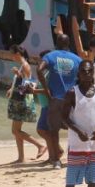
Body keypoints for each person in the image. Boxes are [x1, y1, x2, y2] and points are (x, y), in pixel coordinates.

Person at [37, 34, 82, 169]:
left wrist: (46, 89)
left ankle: (56, 161)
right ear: (69, 44)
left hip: (56, 98)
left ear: (56, 43)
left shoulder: (51, 55)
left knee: (53, 129)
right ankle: (75, 157)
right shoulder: (77, 59)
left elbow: (39, 69)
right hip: (73, 98)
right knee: (73, 128)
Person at [6, 45, 45, 163]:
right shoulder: (23, 66)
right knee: (17, 130)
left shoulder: (25, 66)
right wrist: (11, 88)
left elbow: (27, 85)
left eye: (12, 53)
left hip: (21, 101)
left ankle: (40, 146)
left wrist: (19, 74)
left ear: (17, 54)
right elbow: (24, 82)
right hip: (19, 99)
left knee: (15, 131)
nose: (11, 56)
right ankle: (21, 157)